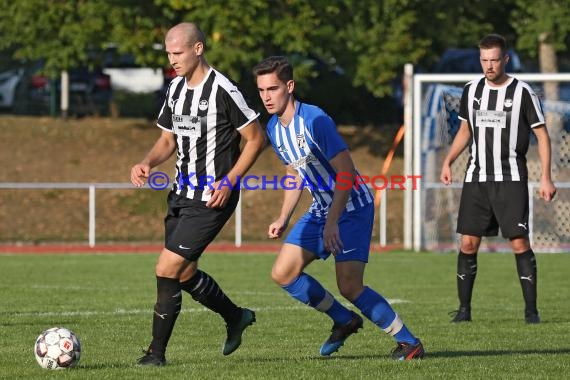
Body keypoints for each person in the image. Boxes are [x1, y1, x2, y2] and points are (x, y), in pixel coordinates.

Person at [253, 56, 424, 360]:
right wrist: (283, 216)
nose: (266, 97)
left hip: (352, 207)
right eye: (262, 90)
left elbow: (345, 172)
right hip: (322, 210)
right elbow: (294, 172)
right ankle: (343, 320)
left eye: (273, 89)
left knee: (349, 285)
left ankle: (409, 343)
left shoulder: (315, 120)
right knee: (283, 273)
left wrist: (333, 222)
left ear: (290, 86)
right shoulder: (273, 128)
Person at [130, 22, 265, 366]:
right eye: (169, 53)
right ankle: (235, 317)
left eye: (177, 53)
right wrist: (147, 162)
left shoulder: (223, 89)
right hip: (179, 194)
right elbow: (167, 141)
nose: (172, 60)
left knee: (166, 268)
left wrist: (230, 180)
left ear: (198, 49)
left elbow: (255, 139)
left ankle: (155, 355)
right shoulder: (175, 89)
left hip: (212, 198)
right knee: (184, 273)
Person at [440, 34, 556, 324]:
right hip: (477, 177)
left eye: (494, 60)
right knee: (467, 244)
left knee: (518, 242)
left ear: (504, 59)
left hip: (511, 178)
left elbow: (541, 135)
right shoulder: (472, 89)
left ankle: (531, 312)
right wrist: (448, 160)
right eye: (484, 60)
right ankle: (464, 311)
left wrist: (546, 177)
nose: (489, 66)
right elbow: (465, 130)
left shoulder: (522, 92)